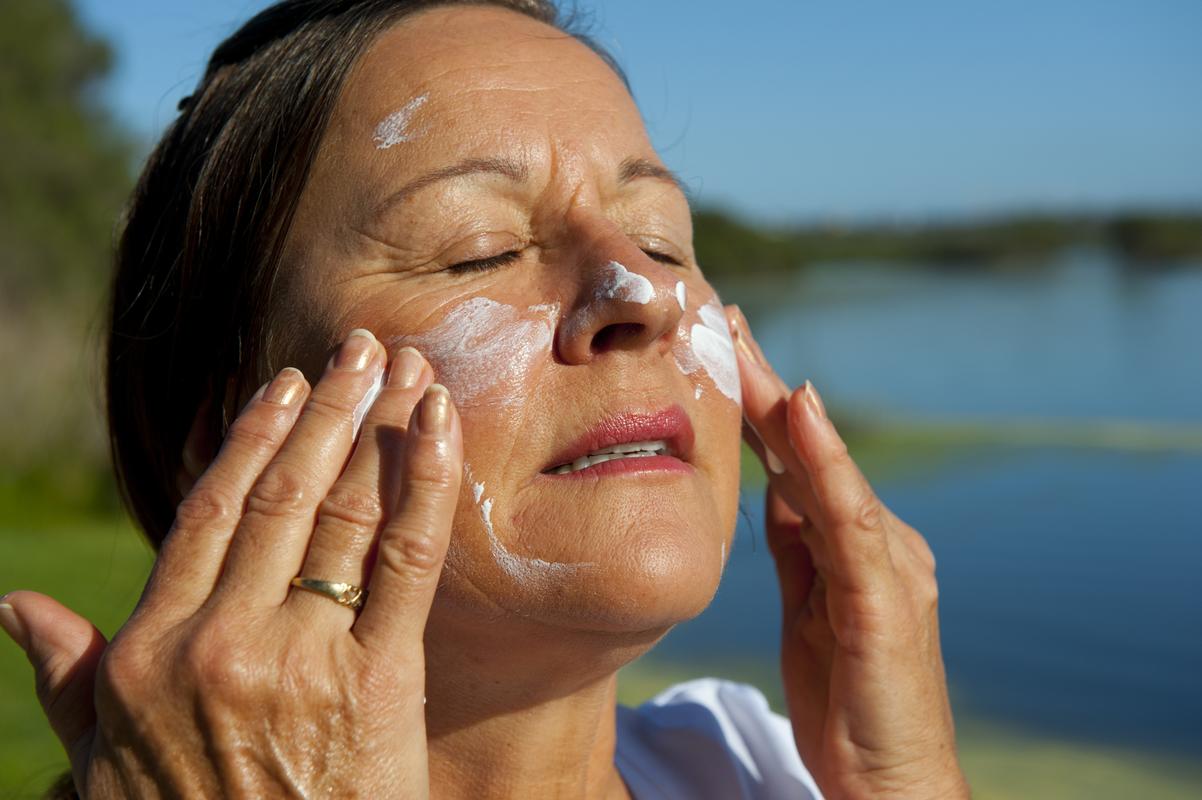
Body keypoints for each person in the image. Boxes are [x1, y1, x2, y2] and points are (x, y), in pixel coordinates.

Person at [0, 1, 969, 797]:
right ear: (226, 431)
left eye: (664, 239)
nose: (644, 297)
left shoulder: (752, 762)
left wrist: (906, 779)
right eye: (479, 248)